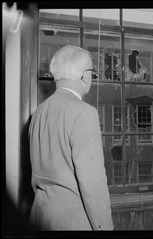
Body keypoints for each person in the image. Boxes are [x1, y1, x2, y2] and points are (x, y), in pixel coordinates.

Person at [29, 45, 114, 231]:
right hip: (73, 221)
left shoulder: (38, 112)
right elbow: (93, 184)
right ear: (84, 76)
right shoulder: (84, 113)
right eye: (92, 71)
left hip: (40, 216)